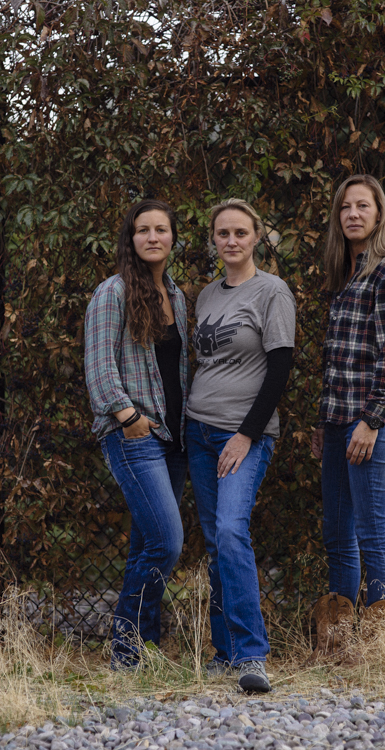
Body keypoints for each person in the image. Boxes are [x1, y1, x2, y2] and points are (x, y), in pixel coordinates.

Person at [186, 198, 296, 692]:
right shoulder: (207, 295)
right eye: (223, 233)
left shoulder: (272, 291)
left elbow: (280, 369)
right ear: (214, 239)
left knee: (231, 531)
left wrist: (246, 434)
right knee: (215, 541)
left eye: (240, 233)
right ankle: (223, 651)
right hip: (198, 431)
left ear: (256, 238)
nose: (231, 241)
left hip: (243, 435)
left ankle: (252, 655)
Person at [310, 174, 385, 661]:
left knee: (372, 531)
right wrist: (325, 422)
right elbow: (339, 360)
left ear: (379, 214)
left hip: (372, 422)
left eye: (363, 206)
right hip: (339, 424)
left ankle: (381, 650)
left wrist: (372, 421)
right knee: (337, 533)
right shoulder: (346, 276)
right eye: (345, 208)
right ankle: (340, 647)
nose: (353, 214)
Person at [84, 199, 189, 669]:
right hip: (134, 435)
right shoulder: (112, 293)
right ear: (131, 239)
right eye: (142, 230)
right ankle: (125, 648)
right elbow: (100, 367)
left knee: (146, 545)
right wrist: (129, 419)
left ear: (172, 238)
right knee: (167, 542)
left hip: (174, 439)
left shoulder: (178, 296)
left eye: (160, 229)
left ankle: (140, 651)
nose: (152, 237)